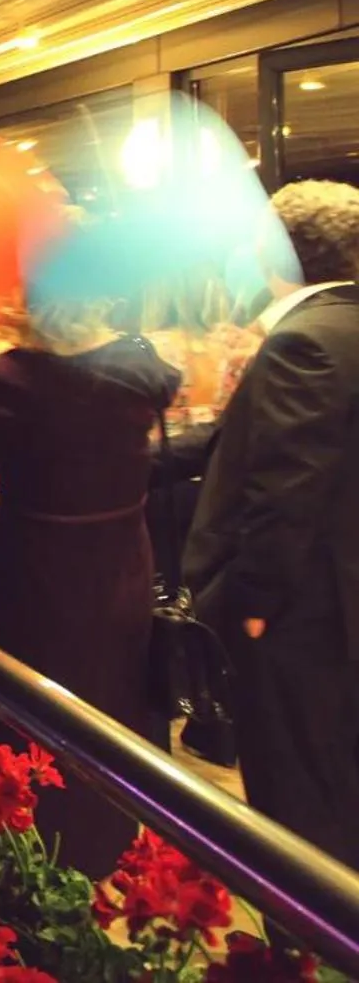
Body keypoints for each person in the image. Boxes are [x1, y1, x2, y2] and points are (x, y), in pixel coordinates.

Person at [0, 292, 179, 877]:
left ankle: (5, 855)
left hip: (26, 571)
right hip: (119, 569)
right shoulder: (143, 373)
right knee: (107, 705)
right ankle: (100, 850)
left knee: (13, 715)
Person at [182, 180, 359, 867]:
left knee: (300, 807)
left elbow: (285, 491)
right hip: (340, 614)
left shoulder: (303, 341)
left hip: (306, 622)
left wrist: (253, 605)